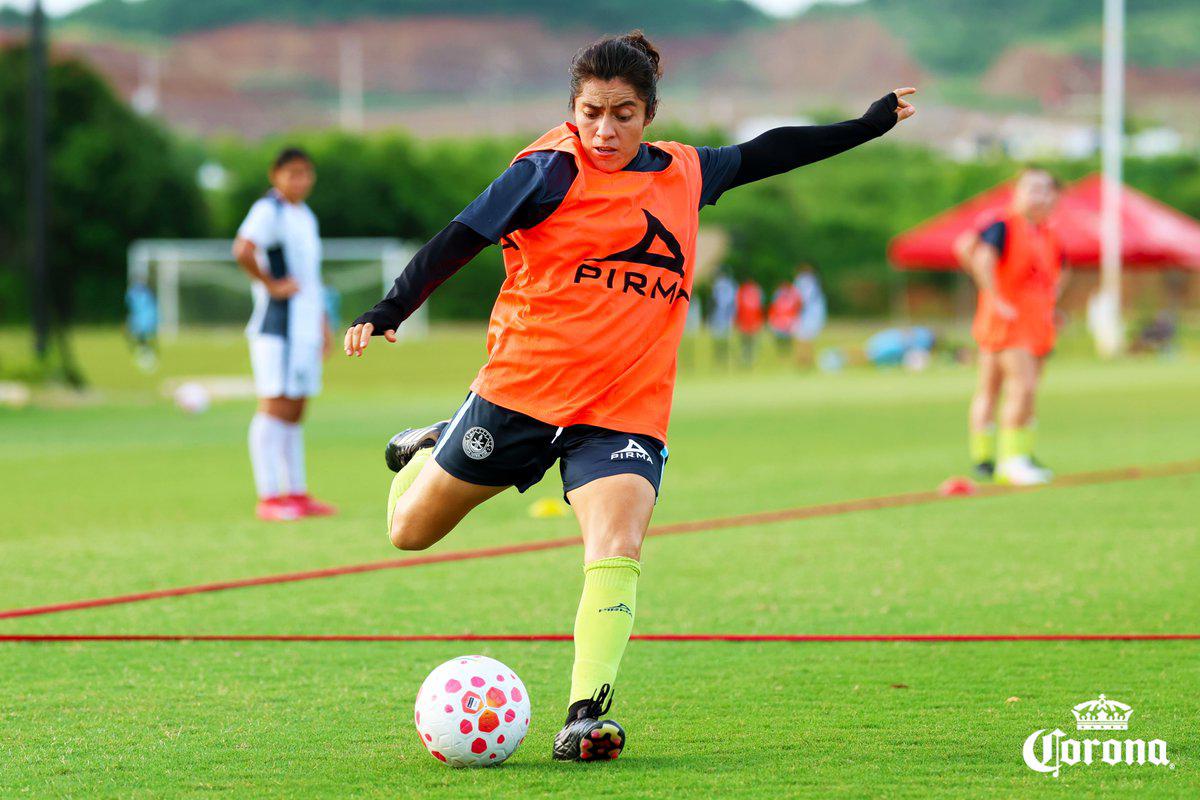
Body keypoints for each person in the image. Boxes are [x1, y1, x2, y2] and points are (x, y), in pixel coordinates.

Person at [344, 31, 915, 761]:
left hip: (622, 406)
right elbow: (463, 235)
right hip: (521, 391)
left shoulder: (683, 172)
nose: (604, 131)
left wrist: (868, 124)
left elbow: (772, 150)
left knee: (618, 544)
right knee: (409, 533)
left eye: (622, 114)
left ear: (650, 113)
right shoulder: (546, 172)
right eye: (590, 113)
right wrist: (390, 309)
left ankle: (585, 713)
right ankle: (437, 440)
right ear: (571, 109)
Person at [233, 147, 336, 521]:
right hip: (277, 328)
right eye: (293, 173)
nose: (301, 180)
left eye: (306, 173)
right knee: (274, 406)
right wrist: (271, 285)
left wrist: (323, 325)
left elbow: (311, 279)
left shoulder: (304, 214)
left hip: (305, 328)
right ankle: (268, 496)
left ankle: (296, 491)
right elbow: (243, 249)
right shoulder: (269, 210)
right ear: (275, 175)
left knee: (296, 410)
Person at [955, 167, 1065, 486]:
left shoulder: (1045, 232)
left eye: (1045, 189)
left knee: (1025, 389)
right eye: (1032, 188)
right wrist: (994, 296)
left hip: (1035, 323)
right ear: (1016, 192)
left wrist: (1051, 304)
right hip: (1008, 324)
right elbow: (974, 254)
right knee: (1016, 386)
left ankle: (1018, 456)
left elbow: (1057, 271)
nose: (1040, 195)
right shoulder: (1003, 225)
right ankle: (1001, 460)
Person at [792, 263, 827, 367]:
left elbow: (803, 299)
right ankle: (805, 360)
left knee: (803, 336)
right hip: (810, 313)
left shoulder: (804, 281)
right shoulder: (813, 280)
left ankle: (804, 360)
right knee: (805, 337)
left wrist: (796, 310)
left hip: (807, 313)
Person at [125, 280, 159, 372]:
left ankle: (146, 353)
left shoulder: (146, 295)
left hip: (145, 320)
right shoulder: (135, 295)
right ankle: (144, 351)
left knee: (142, 338)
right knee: (139, 338)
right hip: (140, 319)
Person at [708, 270, 737, 366]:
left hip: (721, 315)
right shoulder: (730, 285)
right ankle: (723, 358)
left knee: (720, 338)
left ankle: (721, 358)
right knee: (724, 338)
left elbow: (714, 301)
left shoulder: (718, 285)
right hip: (725, 315)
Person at [734, 278, 765, 367]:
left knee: (748, 343)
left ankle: (748, 361)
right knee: (748, 343)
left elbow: (738, 306)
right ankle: (748, 361)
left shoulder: (742, 290)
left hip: (748, 321)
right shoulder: (756, 290)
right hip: (749, 321)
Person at [767, 280, 802, 356]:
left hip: (789, 318)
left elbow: (796, 306)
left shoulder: (792, 295)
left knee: (788, 336)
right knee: (779, 335)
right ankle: (781, 350)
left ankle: (787, 350)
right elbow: (774, 307)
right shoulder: (777, 295)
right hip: (780, 318)